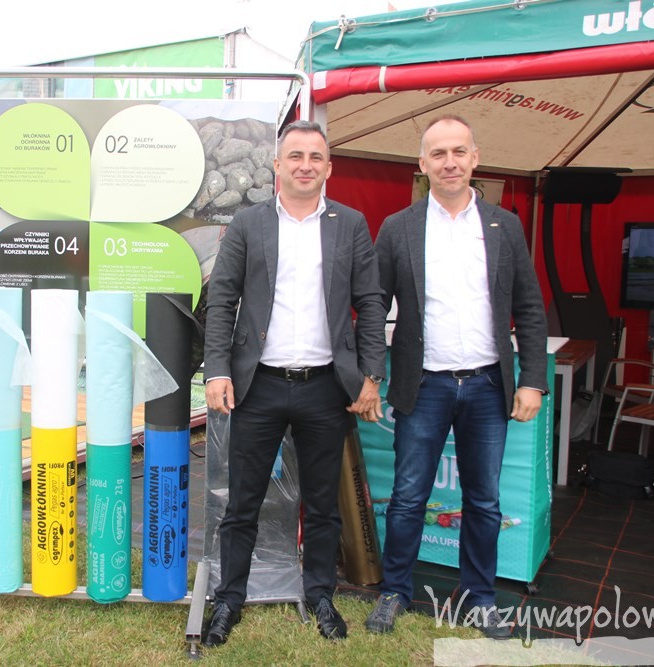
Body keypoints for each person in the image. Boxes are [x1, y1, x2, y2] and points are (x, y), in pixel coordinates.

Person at [201, 120, 387, 647]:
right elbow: (222, 299)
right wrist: (217, 370)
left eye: (316, 157)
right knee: (242, 504)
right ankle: (229, 599)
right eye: (296, 156)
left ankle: (320, 595)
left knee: (323, 505)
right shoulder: (248, 223)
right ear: (277, 165)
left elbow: (370, 301)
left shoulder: (351, 224)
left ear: (329, 167)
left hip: (326, 388)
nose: (306, 165)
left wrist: (371, 375)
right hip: (258, 386)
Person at [367, 115, 548, 639]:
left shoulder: (504, 225)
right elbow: (373, 305)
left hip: (488, 386)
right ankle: (394, 592)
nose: (450, 162)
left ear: (475, 157)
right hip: (423, 386)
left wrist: (532, 379)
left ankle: (480, 598)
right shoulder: (398, 227)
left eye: (459, 152)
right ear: (422, 164)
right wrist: (371, 374)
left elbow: (529, 307)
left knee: (484, 500)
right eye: (439, 153)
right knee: (408, 496)